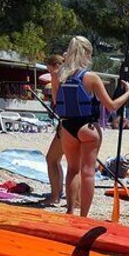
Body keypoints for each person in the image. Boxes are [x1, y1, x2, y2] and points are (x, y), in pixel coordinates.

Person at [53, 36, 129, 217]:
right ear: (87, 53)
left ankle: (71, 210)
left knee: (72, 169)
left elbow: (57, 102)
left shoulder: (60, 76)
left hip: (67, 127)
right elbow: (111, 106)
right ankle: (84, 216)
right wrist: (128, 93)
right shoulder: (91, 78)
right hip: (88, 127)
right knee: (87, 172)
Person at [42, 54, 76, 207]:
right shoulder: (78, 75)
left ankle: (56, 195)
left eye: (50, 71)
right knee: (77, 165)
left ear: (55, 66)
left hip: (67, 123)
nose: (50, 74)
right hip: (83, 122)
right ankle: (76, 200)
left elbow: (57, 101)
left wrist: (54, 80)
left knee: (52, 159)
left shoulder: (58, 76)